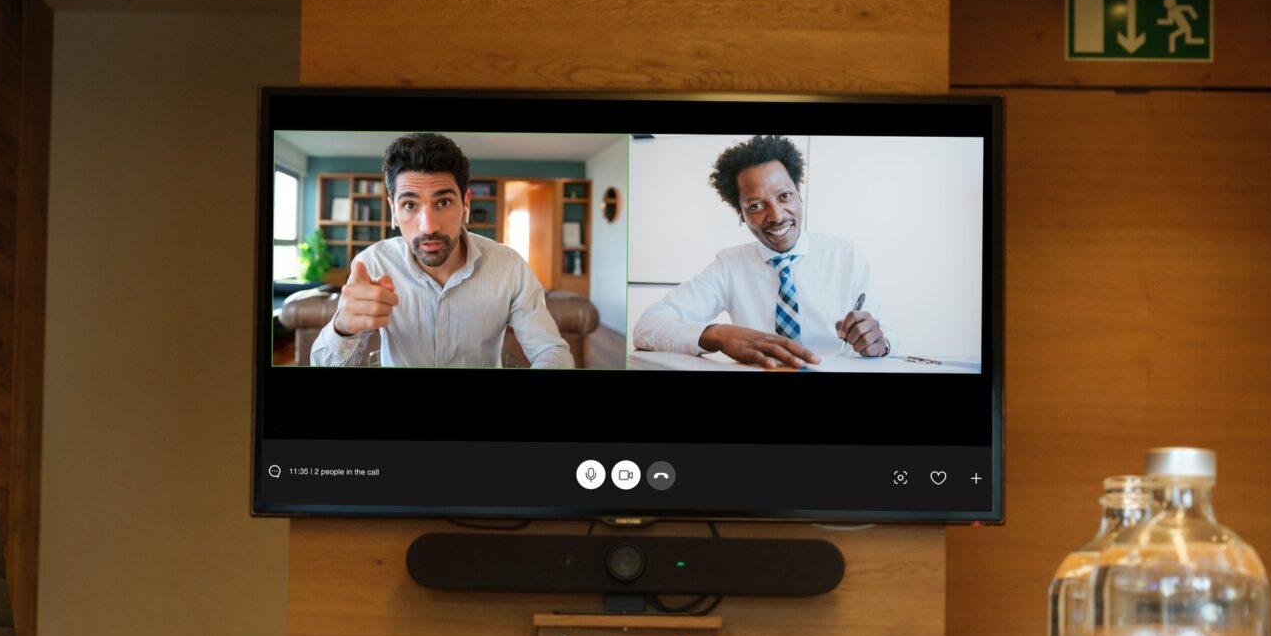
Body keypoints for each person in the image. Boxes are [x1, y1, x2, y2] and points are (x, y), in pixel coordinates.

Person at [308, 132, 572, 368]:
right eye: (410, 205)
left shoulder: (509, 266)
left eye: (443, 202)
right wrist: (344, 327)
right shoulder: (373, 264)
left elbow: (551, 351)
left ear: (465, 203)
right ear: (393, 211)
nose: (429, 226)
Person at [632, 135, 890, 369]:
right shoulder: (729, 265)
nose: (776, 216)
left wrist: (880, 343)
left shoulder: (846, 255)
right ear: (740, 214)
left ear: (798, 194)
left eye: (785, 196)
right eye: (756, 206)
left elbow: (889, 336)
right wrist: (718, 334)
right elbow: (647, 326)